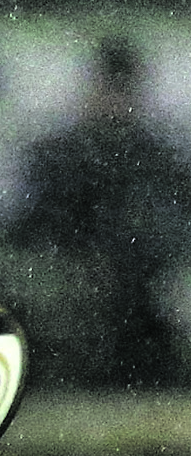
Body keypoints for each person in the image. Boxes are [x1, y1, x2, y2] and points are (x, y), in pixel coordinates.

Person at [12, 33, 191, 388]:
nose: (115, 102)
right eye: (109, 88)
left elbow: (174, 231)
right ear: (93, 87)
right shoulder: (60, 153)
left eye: (123, 91)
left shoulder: (159, 154)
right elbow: (38, 231)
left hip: (146, 287)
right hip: (84, 282)